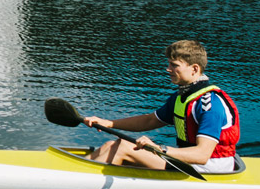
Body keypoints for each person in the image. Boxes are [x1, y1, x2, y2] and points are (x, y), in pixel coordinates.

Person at [86, 39, 241, 173]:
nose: (168, 69)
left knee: (124, 148)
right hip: (190, 162)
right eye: (169, 64)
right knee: (111, 144)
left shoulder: (210, 105)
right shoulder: (182, 97)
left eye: (174, 65)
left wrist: (160, 149)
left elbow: (201, 155)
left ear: (194, 69)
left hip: (210, 167)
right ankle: (74, 172)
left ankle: (85, 182)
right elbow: (149, 121)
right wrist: (109, 123)